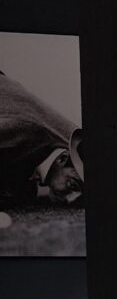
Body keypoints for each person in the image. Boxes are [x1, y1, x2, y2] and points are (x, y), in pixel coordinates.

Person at [0, 71, 85, 208]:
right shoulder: (25, 133)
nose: (71, 199)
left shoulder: (39, 152)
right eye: (73, 184)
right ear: (62, 158)